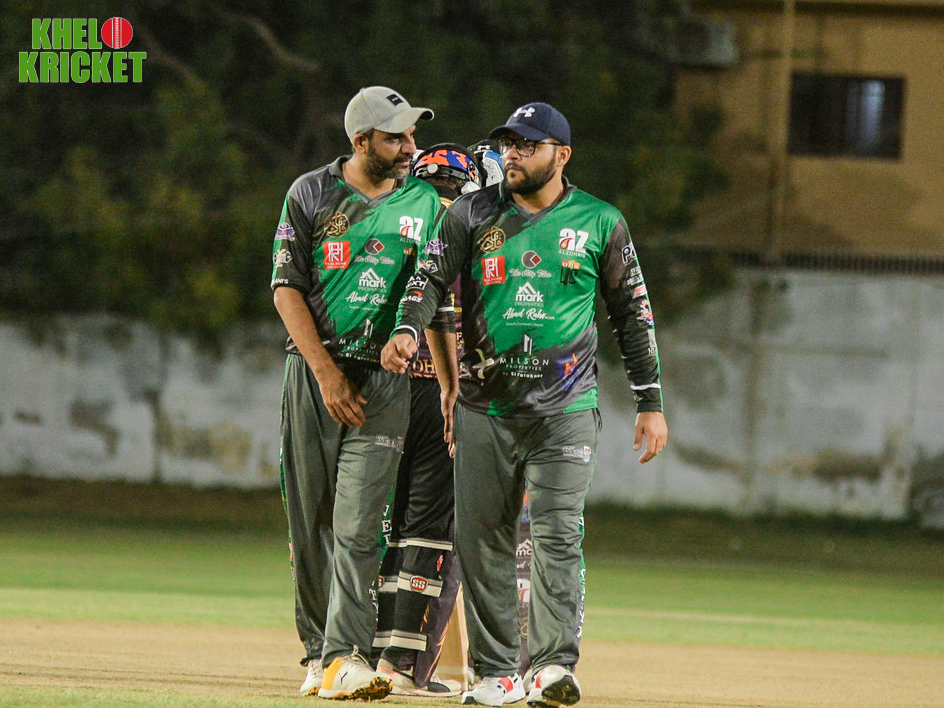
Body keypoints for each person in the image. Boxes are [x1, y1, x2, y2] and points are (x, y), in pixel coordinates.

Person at [381, 102, 668, 707]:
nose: (512, 154)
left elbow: (633, 314)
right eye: (508, 144)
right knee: (482, 540)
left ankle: (552, 667)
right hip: (484, 408)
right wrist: (406, 329)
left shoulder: (600, 221)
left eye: (527, 145)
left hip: (566, 409)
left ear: (562, 155)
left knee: (558, 535)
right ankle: (496, 674)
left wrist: (650, 401)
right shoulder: (470, 214)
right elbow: (428, 279)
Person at [270, 85, 441, 701]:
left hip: (385, 383)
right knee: (311, 521)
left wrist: (408, 333)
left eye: (412, 135)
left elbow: (429, 284)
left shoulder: (425, 201)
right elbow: (286, 289)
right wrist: (325, 373)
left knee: (361, 527)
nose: (409, 147)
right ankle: (318, 654)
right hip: (314, 376)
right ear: (360, 140)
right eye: (396, 137)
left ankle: (345, 656)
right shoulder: (310, 193)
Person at [372, 144, 482, 697]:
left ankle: (353, 653)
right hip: (441, 390)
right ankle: (401, 662)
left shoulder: (393, 223)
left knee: (376, 524)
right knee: (430, 529)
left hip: (380, 386)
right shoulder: (470, 231)